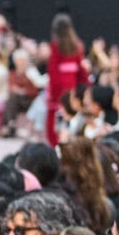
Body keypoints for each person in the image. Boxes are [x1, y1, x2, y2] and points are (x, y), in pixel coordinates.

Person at [44, 13, 88, 145]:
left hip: (58, 90)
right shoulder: (77, 46)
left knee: (55, 121)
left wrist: (52, 95)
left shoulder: (54, 47)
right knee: (71, 117)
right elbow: (81, 71)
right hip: (72, 88)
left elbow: (53, 72)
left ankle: (56, 145)